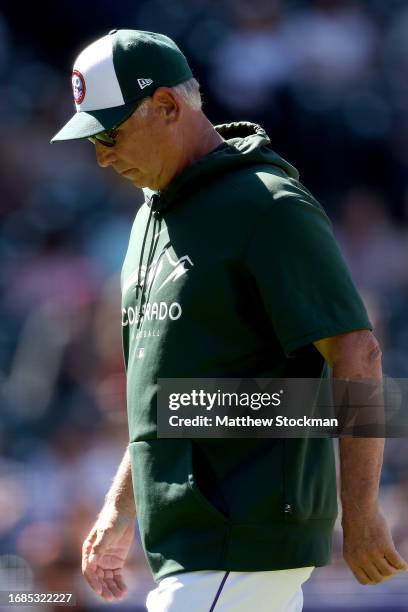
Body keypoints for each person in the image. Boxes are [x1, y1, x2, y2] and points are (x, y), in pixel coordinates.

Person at [51, 29, 407, 612]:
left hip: (241, 535)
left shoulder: (266, 204)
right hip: (197, 545)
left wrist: (363, 512)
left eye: (110, 133)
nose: (102, 155)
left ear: (167, 106)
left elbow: (358, 353)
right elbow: (168, 390)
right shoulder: (150, 219)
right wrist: (121, 508)